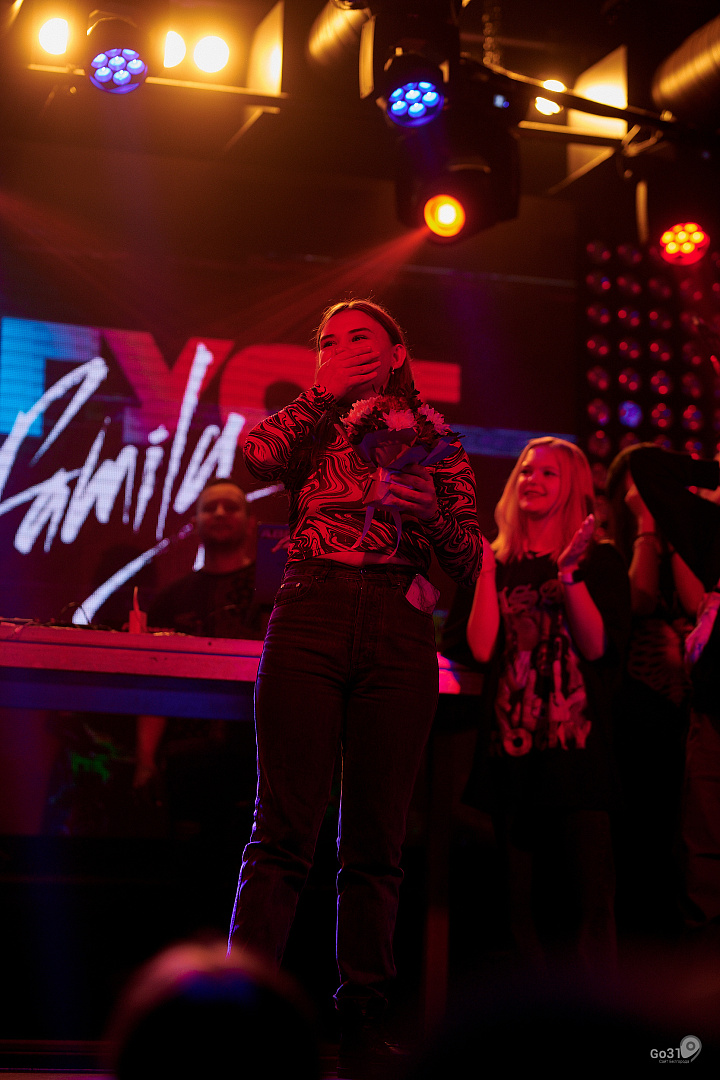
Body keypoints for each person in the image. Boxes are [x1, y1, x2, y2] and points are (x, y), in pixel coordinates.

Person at [228, 299, 483, 1075]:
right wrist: (323, 391)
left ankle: (363, 1020)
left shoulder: (437, 441)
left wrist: (431, 516)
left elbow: (470, 557)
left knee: (376, 841)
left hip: (400, 623)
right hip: (312, 606)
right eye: (328, 342)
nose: (342, 348)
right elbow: (254, 457)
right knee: (282, 830)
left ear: (397, 352)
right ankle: (240, 1019)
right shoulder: (314, 423)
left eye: (360, 337)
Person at [464, 437, 630, 976]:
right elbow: (482, 649)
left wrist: (569, 575)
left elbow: (597, 647)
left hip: (578, 759)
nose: (531, 480)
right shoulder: (496, 563)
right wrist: (485, 571)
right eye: (526, 471)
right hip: (511, 756)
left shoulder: (600, 560)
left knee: (587, 913)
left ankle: (598, 1014)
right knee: (521, 917)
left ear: (573, 487)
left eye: (548, 474)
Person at [605, 446, 703, 938]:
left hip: (689, 695)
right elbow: (640, 599)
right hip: (637, 699)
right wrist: (646, 524)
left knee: (685, 819)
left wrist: (674, 522)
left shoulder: (688, 537)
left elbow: (694, 600)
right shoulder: (613, 544)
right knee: (641, 818)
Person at [134, 480, 263, 838]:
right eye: (210, 507)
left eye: (231, 507)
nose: (220, 513)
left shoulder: (272, 591)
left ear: (251, 522)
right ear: (195, 522)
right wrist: (145, 759)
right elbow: (155, 682)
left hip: (259, 754)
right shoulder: (171, 598)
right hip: (186, 755)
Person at [627, 445, 720, 937]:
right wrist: (714, 471)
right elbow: (646, 465)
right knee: (703, 845)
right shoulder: (711, 526)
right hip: (714, 704)